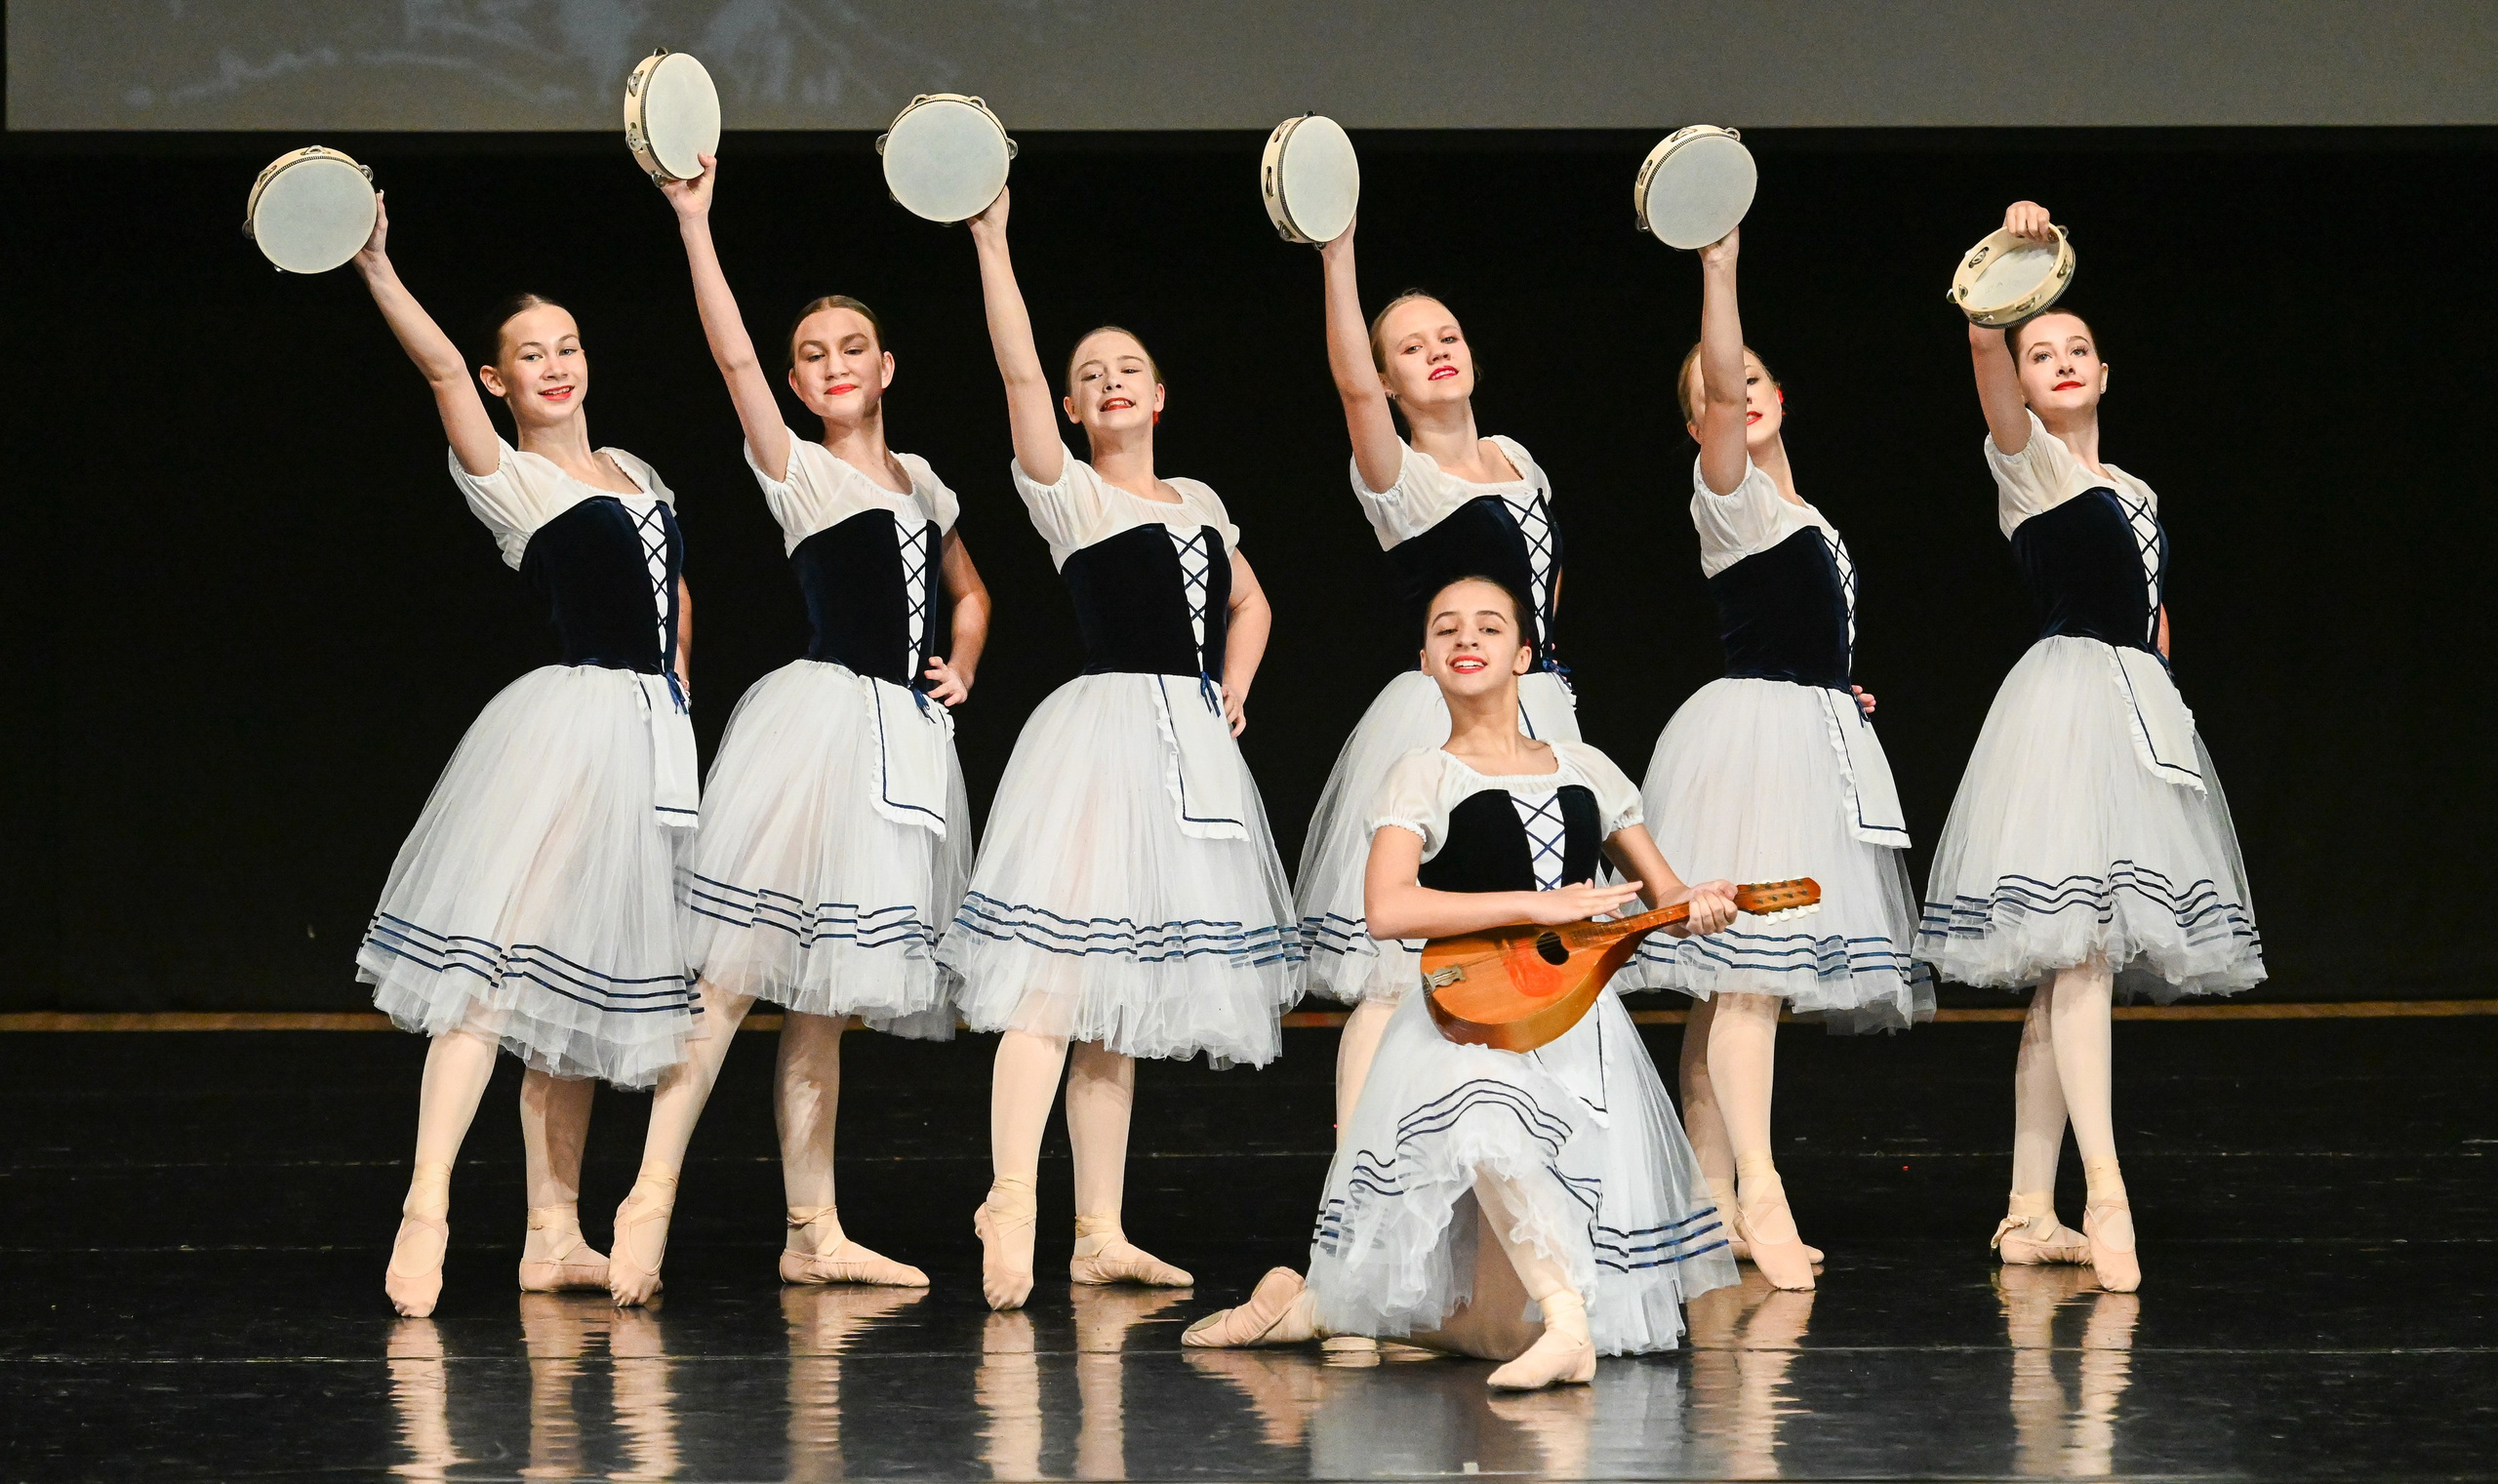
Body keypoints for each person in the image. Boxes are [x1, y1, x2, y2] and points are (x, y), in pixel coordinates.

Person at [601, 153, 994, 1304]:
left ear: (886, 367)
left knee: (823, 1005)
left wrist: (962, 667)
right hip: (815, 729)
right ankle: (649, 1200)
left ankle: (812, 1229)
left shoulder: (923, 480)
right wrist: (695, 222)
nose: (832, 366)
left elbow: (971, 591)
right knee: (731, 979)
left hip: (897, 749)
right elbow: (728, 353)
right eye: (810, 355)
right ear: (795, 378)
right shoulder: (799, 471)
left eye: (850, 350)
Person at [1186, 577, 1741, 1390]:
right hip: (1465, 1016)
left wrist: (1705, 905)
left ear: (1524, 654)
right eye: (1445, 628)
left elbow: (1663, 895)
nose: (1465, 637)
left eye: (1488, 625)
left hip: (1575, 1022)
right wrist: (1536, 902)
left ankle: (1319, 1306)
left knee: (1491, 1326)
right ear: (1426, 660)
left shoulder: (1587, 768)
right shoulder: (1422, 773)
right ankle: (1568, 1325)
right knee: (1481, 1111)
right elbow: (1388, 907)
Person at [937, 186, 1302, 1311]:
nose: (1107, 381)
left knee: (1126, 999)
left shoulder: (1198, 498)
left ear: (1158, 392)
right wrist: (995, 241)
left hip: (1185, 751)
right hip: (1099, 744)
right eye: (1087, 374)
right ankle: (1011, 1197)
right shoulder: (1074, 495)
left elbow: (1251, 604)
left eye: (1124, 366)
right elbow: (1013, 377)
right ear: (1077, 407)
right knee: (1056, 983)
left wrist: (1231, 695)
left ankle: (1099, 1229)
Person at [346, 194, 699, 1317]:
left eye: (568, 347)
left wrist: (683, 692)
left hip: (651, 741)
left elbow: (676, 594)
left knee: (583, 993)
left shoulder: (638, 471)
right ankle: (428, 1205)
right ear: (502, 381)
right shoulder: (512, 482)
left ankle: (554, 1231)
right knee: (492, 978)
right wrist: (376, 265)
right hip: (567, 731)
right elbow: (442, 375)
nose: (556, 366)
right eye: (529, 356)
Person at [1919, 201, 2266, 1292]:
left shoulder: (2137, 493)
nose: (2056, 363)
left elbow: (2153, 614)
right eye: (2039, 353)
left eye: (2075, 350)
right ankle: (2105, 1190)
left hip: (2133, 716)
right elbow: (1978, 343)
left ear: (2105, 374)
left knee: (2081, 969)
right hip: (2062, 708)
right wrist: (2007, 272)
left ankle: (2029, 1208)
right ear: (2020, 382)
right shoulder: (2028, 469)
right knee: (2075, 953)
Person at [1619, 224, 1931, 1292]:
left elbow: (1799, 618)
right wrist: (1719, 272)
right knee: (1750, 981)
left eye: (1752, 381)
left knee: (1727, 993)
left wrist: (1833, 680)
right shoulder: (1730, 492)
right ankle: (1759, 1189)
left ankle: (1709, 1206)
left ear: (1782, 394)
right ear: (1699, 419)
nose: (1736, 394)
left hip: (1803, 730)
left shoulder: (1799, 510)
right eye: (1718, 389)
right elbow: (1717, 374)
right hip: (1747, 746)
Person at [1292, 216, 1580, 1138]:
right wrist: (1338, 255)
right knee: (1401, 970)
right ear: (1388, 379)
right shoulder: (1399, 473)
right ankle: (1356, 1182)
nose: (1436, 353)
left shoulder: (1519, 459)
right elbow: (1344, 384)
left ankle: (1503, 1172)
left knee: (1526, 955)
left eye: (1446, 337)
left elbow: (1545, 579)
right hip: (1442, 719)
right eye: (1410, 348)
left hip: (1532, 709)